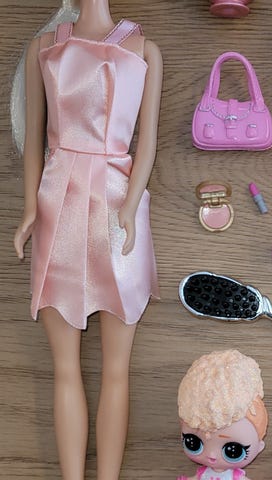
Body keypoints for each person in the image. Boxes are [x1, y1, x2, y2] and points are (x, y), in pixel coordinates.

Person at [13, 1, 162, 478]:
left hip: (118, 208)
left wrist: (131, 207)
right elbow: (34, 140)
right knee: (64, 367)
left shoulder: (144, 48)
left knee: (117, 368)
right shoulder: (44, 47)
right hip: (58, 203)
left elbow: (147, 143)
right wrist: (30, 209)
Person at [177, 350, 268, 480]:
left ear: (259, 447)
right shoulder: (203, 474)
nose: (212, 455)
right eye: (193, 443)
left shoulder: (236, 476)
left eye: (233, 450)